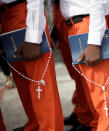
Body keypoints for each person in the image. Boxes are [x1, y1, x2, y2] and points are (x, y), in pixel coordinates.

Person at [58, 0, 109, 131]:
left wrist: (94, 41)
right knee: (93, 98)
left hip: (89, 25)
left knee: (103, 98)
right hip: (76, 25)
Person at [0, 0, 64, 130]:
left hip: (24, 12)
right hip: (5, 18)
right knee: (23, 83)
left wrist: (33, 37)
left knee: (41, 85)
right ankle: (35, 125)